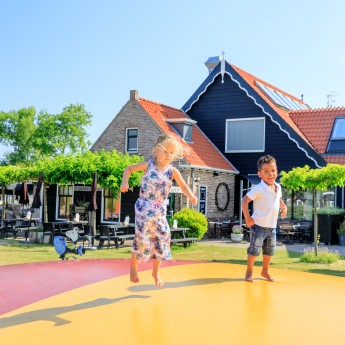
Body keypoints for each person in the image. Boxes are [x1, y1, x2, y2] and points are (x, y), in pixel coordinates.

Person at [120, 133, 198, 287]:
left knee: (162, 237)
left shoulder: (172, 171)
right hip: (144, 207)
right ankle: (133, 268)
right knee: (142, 237)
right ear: (156, 151)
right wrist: (124, 182)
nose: (169, 155)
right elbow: (128, 169)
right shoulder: (147, 165)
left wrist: (191, 196)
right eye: (165, 152)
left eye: (172, 153)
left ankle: (155, 272)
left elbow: (183, 186)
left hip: (159, 209)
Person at [241, 155, 287, 283]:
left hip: (272, 227)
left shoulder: (278, 187)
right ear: (260, 174)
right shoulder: (258, 189)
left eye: (273, 171)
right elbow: (244, 201)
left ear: (277, 171)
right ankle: (249, 272)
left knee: (269, 251)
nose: (270, 174)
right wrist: (248, 218)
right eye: (266, 172)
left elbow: (278, 198)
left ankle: (265, 271)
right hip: (259, 226)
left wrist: (283, 206)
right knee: (254, 249)